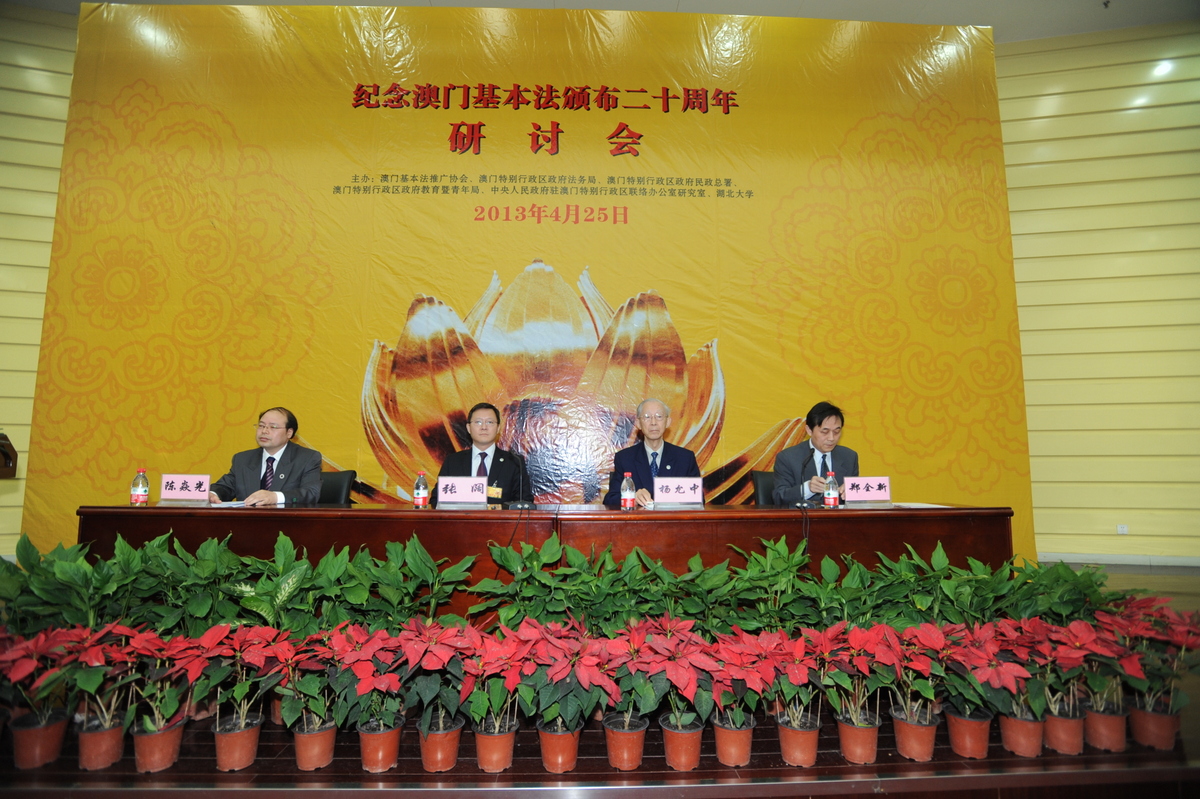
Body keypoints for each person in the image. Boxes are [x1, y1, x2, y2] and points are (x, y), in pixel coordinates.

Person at [209, 407, 323, 506]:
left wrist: (275, 497)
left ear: (289, 433)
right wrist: (213, 494)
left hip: (288, 522)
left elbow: (311, 493)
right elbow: (226, 486)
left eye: (273, 427)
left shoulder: (307, 458)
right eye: (261, 426)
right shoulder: (243, 459)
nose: (264, 431)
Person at [603, 398, 701, 508]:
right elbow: (610, 499)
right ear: (639, 423)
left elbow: (698, 499)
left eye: (659, 416)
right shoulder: (625, 458)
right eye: (647, 417)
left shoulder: (685, 458)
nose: (653, 422)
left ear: (668, 422)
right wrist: (633, 497)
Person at [433, 401, 534, 507]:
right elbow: (436, 500)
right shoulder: (453, 461)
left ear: (498, 428)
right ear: (468, 428)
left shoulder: (514, 462)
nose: (484, 427)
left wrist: (498, 509)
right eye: (478, 422)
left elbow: (524, 503)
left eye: (490, 422)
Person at [772, 401, 859, 507]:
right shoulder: (788, 457)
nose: (831, 438)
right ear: (809, 430)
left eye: (836, 432)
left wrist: (853, 493)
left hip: (838, 517)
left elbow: (857, 502)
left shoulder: (849, 457)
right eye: (824, 432)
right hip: (805, 517)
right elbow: (779, 498)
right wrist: (807, 488)